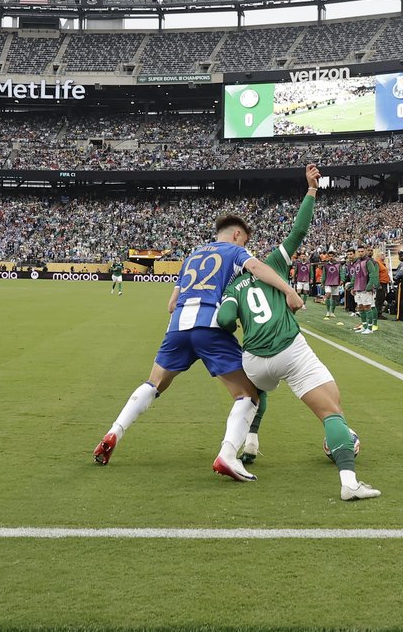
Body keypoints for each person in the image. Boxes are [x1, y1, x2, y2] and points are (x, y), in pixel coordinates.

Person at [92, 173, 308, 481]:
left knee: (154, 385)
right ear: (236, 235)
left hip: (178, 326)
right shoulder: (235, 252)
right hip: (210, 327)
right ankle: (228, 456)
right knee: (249, 395)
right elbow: (258, 269)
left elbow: (171, 304)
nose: (247, 245)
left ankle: (114, 433)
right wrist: (287, 290)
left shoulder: (193, 255)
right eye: (246, 240)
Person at [216, 164, 380, 501]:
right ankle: (349, 481)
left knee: (254, 396)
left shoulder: (232, 285)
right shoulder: (273, 262)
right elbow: (299, 230)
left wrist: (234, 318)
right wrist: (311, 190)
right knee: (331, 411)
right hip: (290, 350)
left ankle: (250, 441)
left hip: (254, 358)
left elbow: (224, 321)